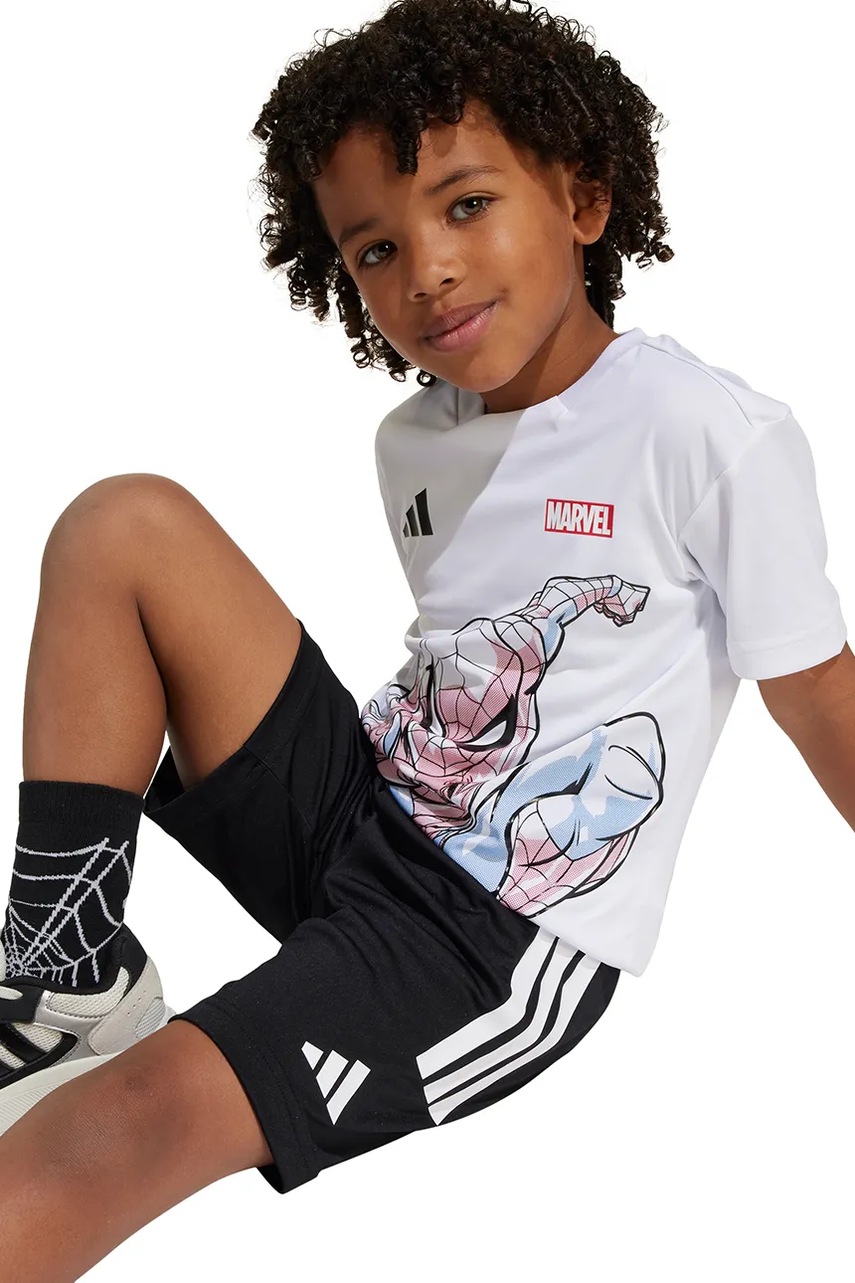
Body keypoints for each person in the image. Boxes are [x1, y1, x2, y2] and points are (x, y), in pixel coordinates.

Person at [1, 0, 852, 1275]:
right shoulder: (414, 440)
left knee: (126, 1123)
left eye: (467, 206)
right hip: (372, 809)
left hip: (484, 933)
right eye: (377, 248)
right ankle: (63, 971)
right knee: (123, 526)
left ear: (584, 197)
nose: (428, 270)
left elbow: (823, 700)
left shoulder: (706, 433)